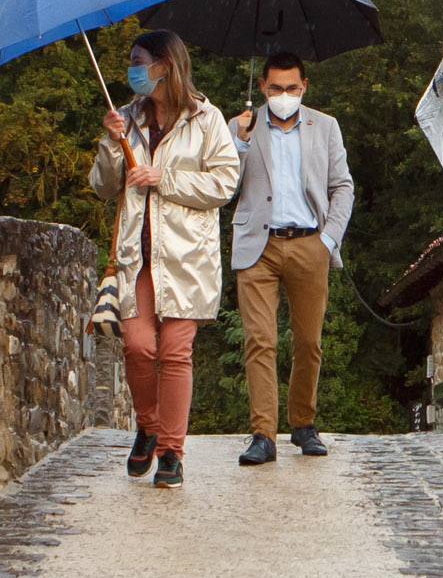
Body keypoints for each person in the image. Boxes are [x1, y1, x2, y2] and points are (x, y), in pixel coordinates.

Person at [89, 29, 242, 489]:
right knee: (137, 346)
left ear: (165, 66)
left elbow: (224, 182)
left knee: (175, 351)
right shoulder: (127, 118)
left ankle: (172, 452)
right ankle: (148, 425)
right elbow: (104, 187)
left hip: (186, 256)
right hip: (137, 256)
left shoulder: (207, 119)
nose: (132, 70)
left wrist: (165, 177)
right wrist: (110, 143)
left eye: (138, 61)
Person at [226, 50, 355, 467]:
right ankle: (263, 434)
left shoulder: (326, 126)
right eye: (276, 88)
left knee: (308, 341)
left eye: (292, 88)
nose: (284, 95)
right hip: (256, 246)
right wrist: (239, 142)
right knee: (259, 341)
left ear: (304, 87)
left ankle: (303, 423)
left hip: (309, 242)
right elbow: (224, 188)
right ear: (263, 86)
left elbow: (343, 186)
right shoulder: (241, 126)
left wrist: (328, 239)